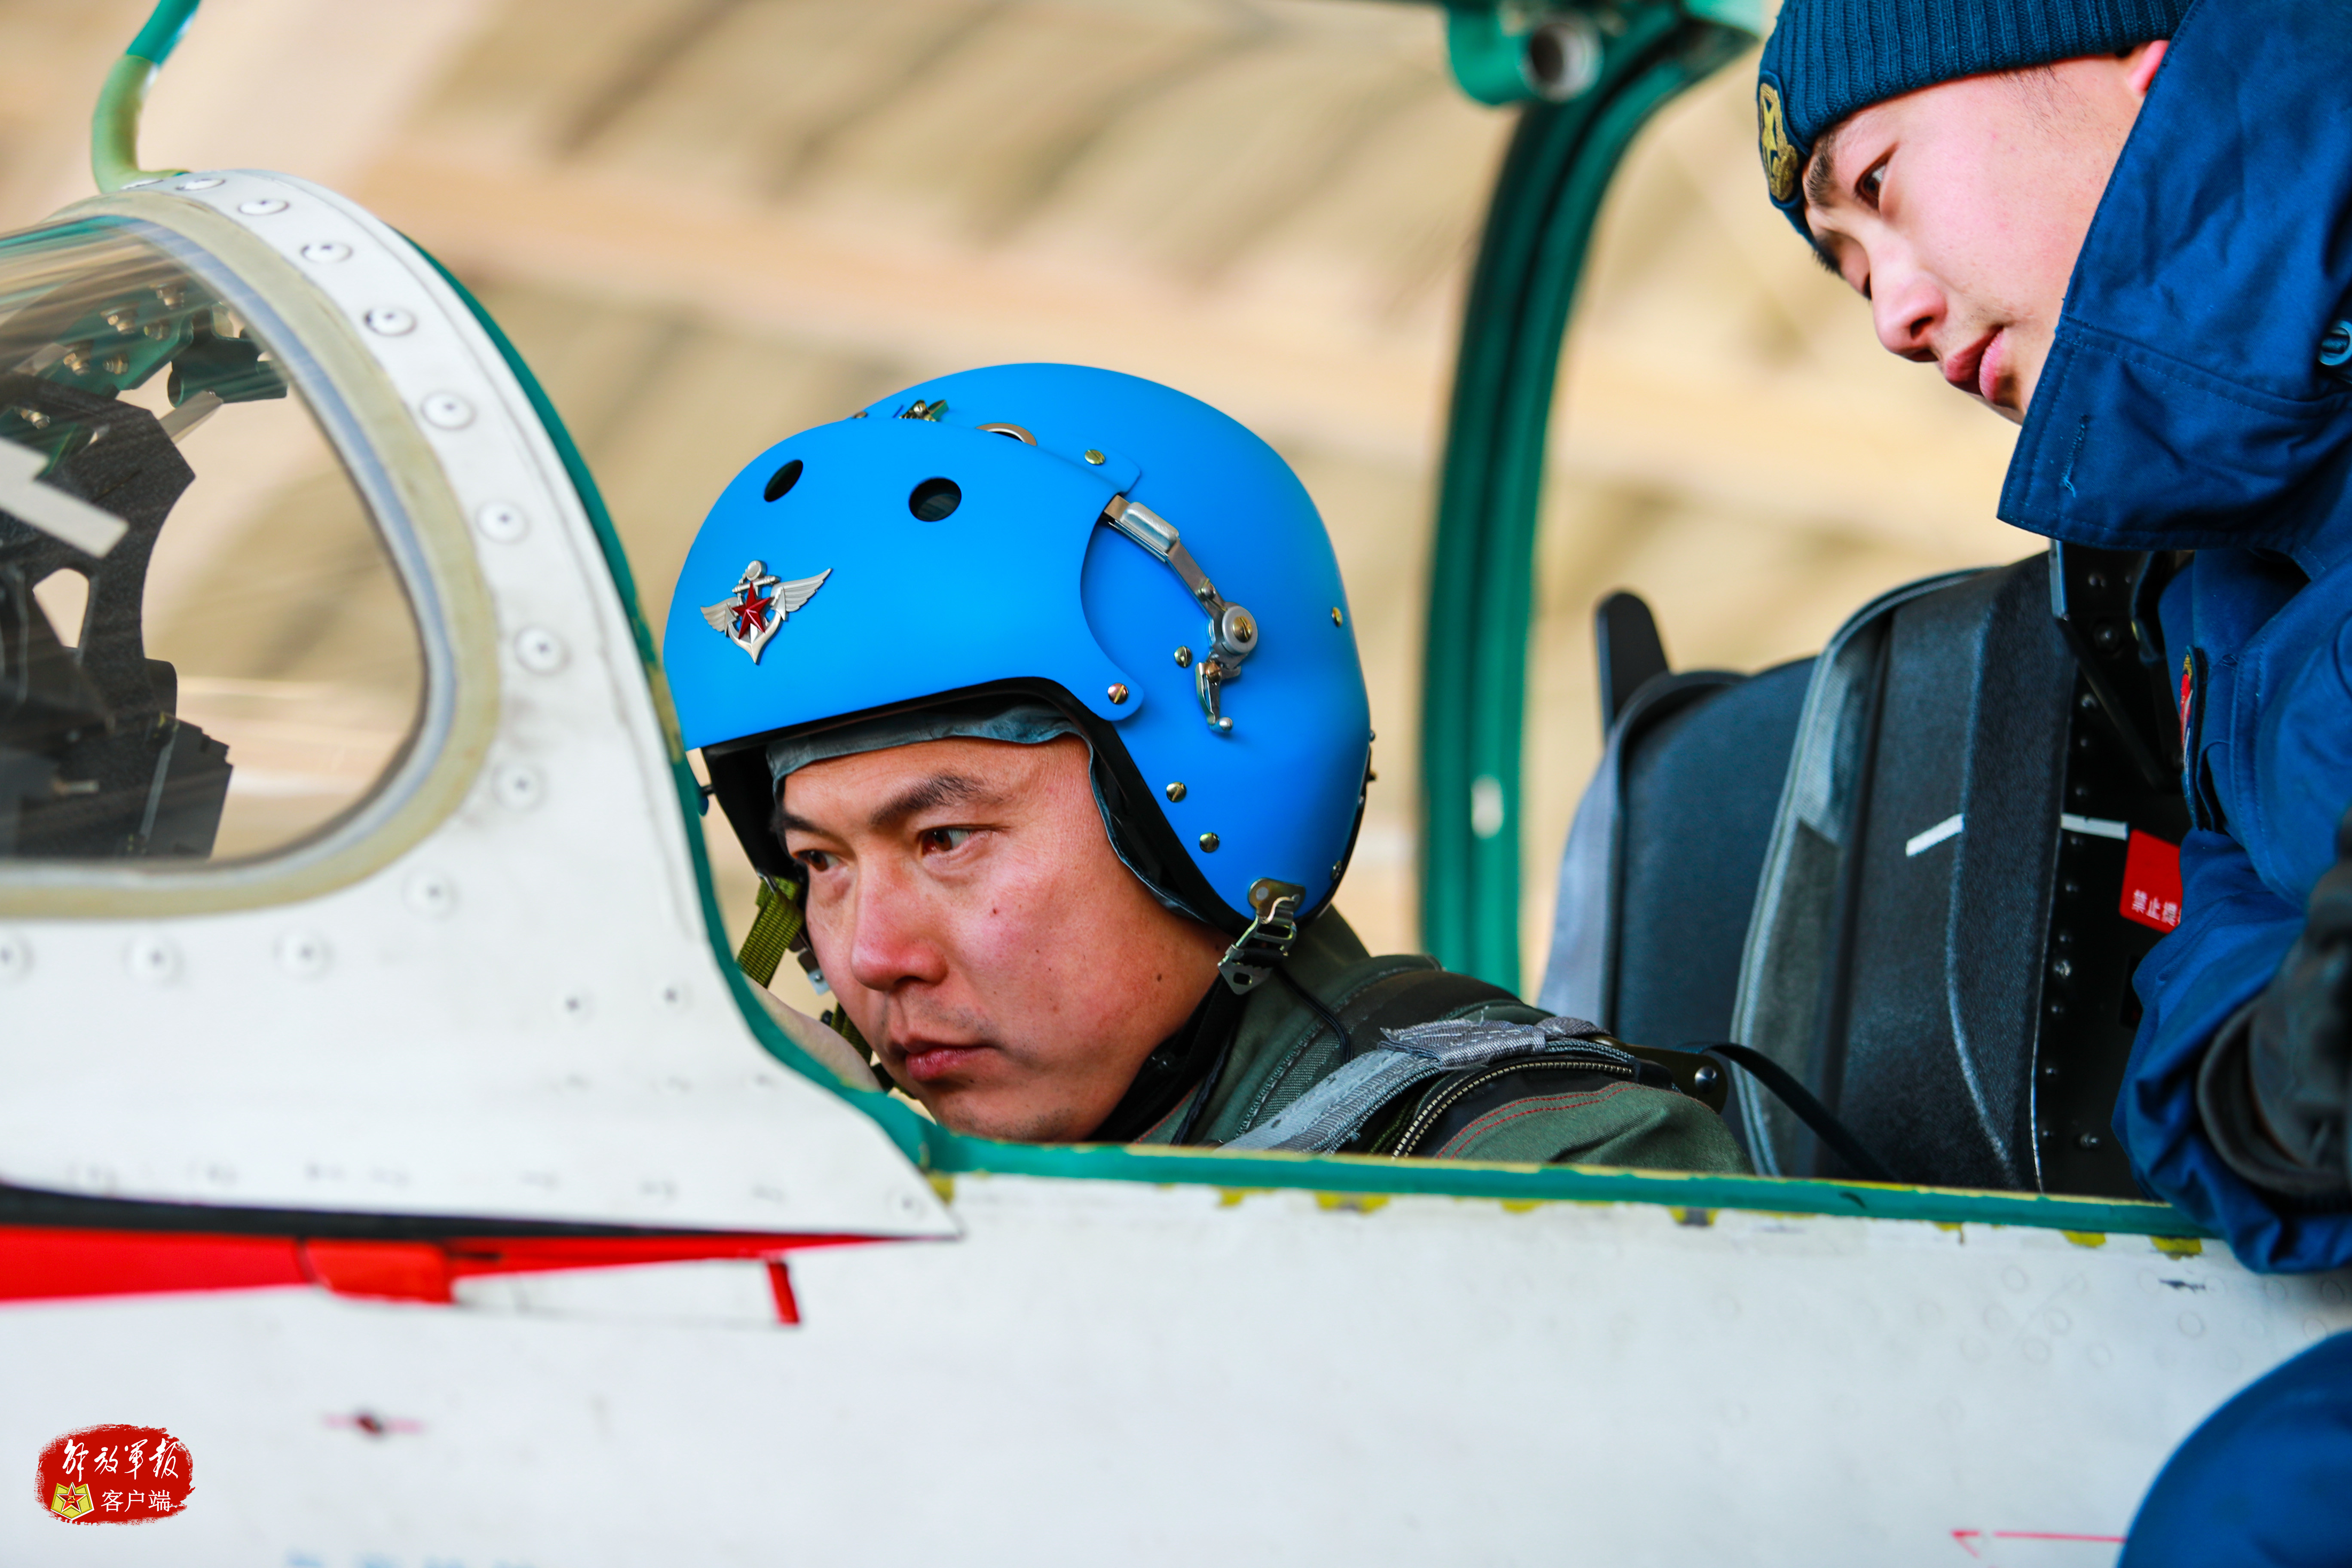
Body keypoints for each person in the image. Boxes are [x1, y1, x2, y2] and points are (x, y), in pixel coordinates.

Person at [1752, 0, 2352, 1558]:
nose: (1884, 311)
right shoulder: (2198, 589)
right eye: (1839, 270)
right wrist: (2272, 1083)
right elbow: (2210, 938)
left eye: (1876, 187)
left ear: (2125, 56)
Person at [660, 361, 1746, 1170]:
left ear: (1207, 809)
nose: (872, 955)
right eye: (820, 865)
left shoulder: (1550, 1175)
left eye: (944, 839)